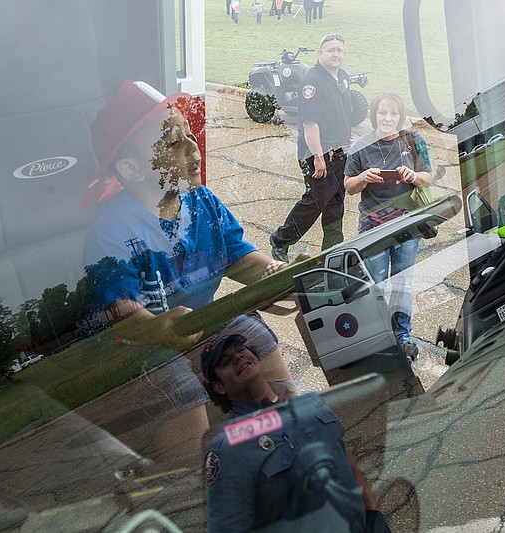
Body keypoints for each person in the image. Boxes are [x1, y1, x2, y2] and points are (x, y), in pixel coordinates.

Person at [80, 80, 296, 456]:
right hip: (139, 351)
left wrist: (275, 273)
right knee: (176, 385)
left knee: (254, 335)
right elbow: (120, 313)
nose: (192, 148)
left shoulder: (202, 201)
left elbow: (237, 256)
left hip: (197, 328)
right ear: (131, 168)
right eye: (171, 143)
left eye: (191, 135)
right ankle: (192, 482)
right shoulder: (113, 232)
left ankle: (287, 442)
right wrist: (158, 326)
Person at [202, 334, 387, 532]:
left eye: (240, 349)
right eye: (226, 361)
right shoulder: (229, 447)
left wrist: (373, 510)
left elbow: (343, 451)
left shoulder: (308, 403)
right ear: (219, 387)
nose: (237, 357)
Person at [343, 93, 434, 362]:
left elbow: (427, 177)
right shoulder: (361, 146)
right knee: (377, 284)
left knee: (403, 282)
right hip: (373, 226)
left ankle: (403, 335)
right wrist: (362, 178)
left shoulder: (413, 140)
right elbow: (348, 187)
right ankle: (377, 336)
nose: (387, 118)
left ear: (400, 116)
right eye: (382, 113)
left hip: (407, 224)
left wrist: (413, 176)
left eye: (393, 114)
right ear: (374, 116)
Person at [270, 34, 353, 261]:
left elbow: (343, 114)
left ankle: (333, 251)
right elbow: (310, 123)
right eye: (330, 50)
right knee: (316, 200)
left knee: (336, 201)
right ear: (320, 53)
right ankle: (280, 240)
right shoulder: (312, 82)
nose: (336, 54)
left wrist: (348, 139)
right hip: (316, 153)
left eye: (339, 50)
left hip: (339, 153)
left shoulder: (341, 77)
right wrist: (318, 156)